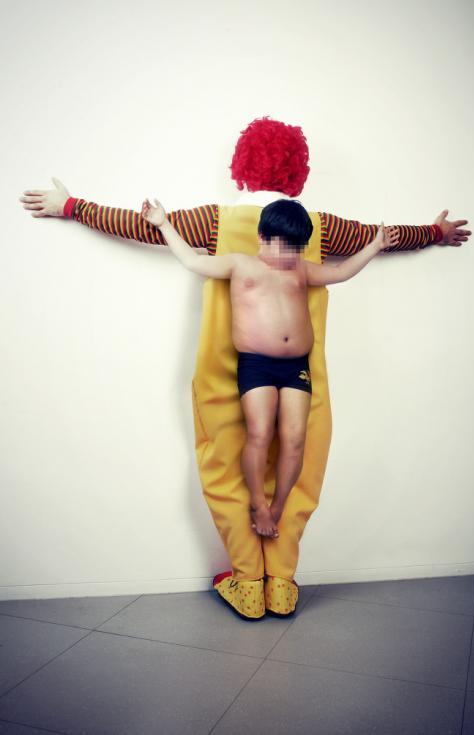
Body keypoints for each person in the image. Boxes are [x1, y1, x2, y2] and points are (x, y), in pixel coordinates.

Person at [19, 116, 471, 620]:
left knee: (228, 465)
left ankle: (249, 582)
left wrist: (73, 206)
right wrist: (434, 232)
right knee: (298, 462)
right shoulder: (317, 227)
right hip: (301, 370)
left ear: (242, 167)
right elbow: (380, 236)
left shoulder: (215, 221)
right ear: (298, 171)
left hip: (227, 374)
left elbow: (138, 224)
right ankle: (282, 582)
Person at [141, 194, 399, 538]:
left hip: (296, 367)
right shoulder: (240, 265)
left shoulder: (301, 269)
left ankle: (277, 506)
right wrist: (163, 223)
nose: (291, 255)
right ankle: (257, 503)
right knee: (260, 433)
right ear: (262, 237)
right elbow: (192, 261)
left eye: (297, 248)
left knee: (295, 439)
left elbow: (339, 272)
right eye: (284, 246)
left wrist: (376, 246)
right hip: (257, 365)